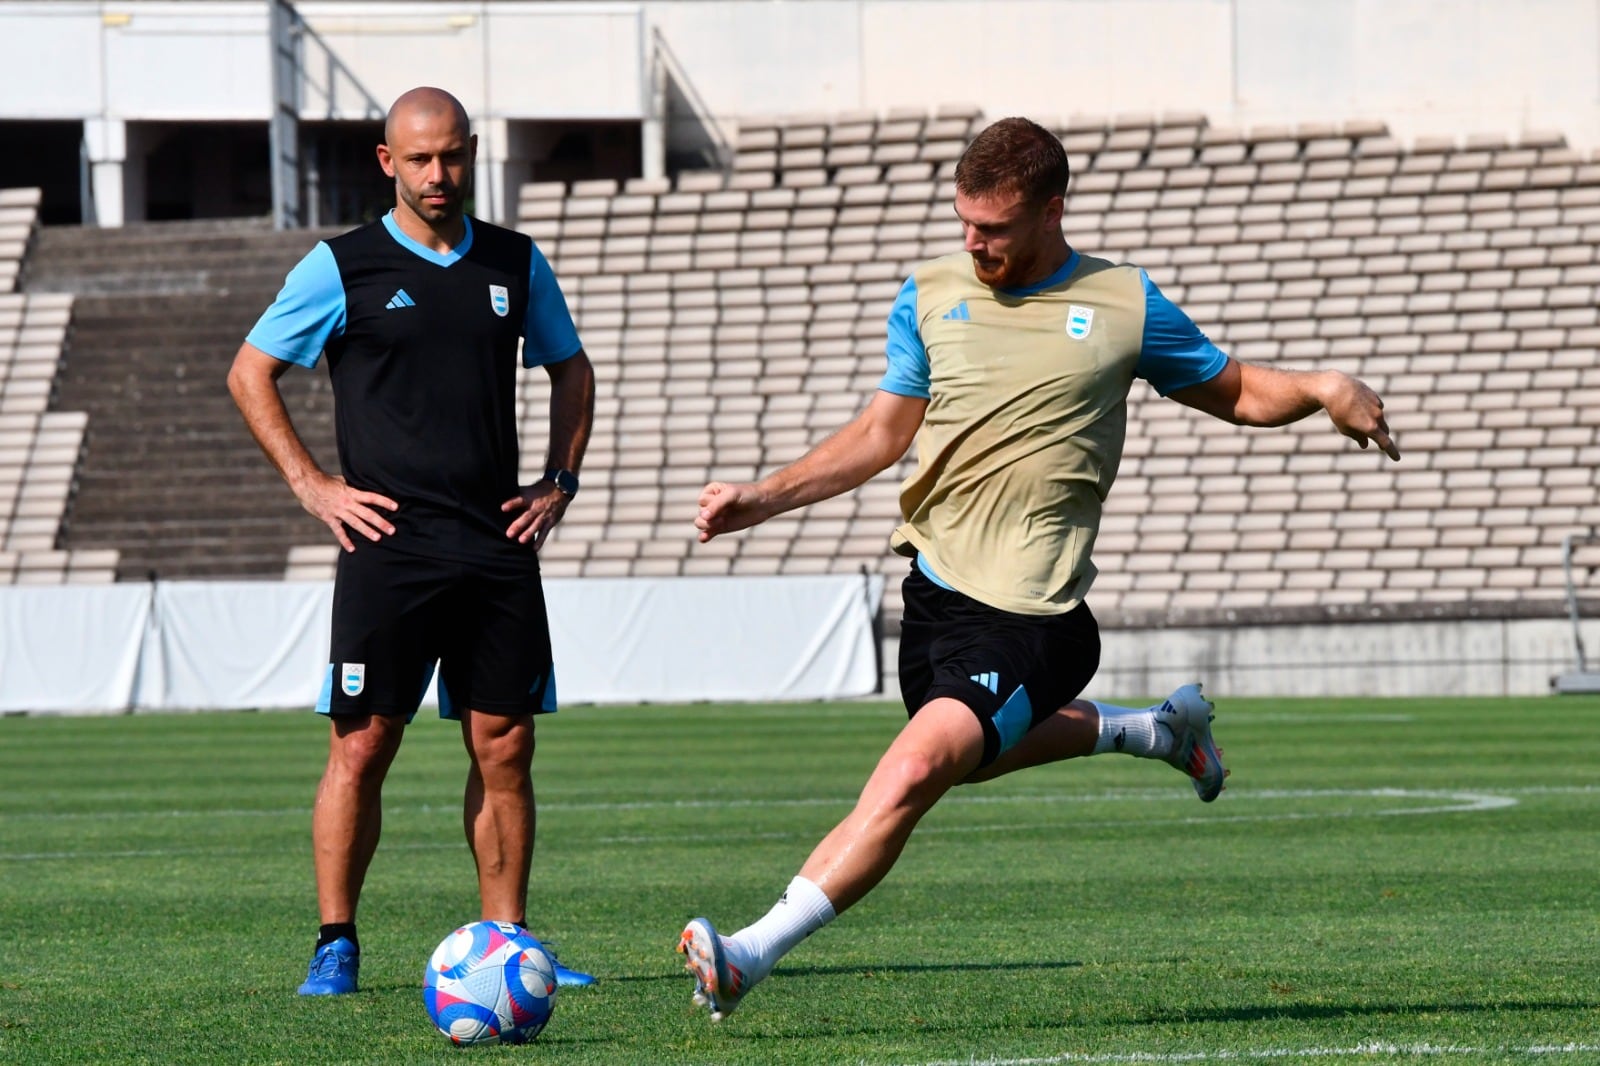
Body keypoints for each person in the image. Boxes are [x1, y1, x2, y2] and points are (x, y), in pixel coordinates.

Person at [677, 117, 1400, 1019]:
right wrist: (763, 497)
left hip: (1037, 616)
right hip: (935, 595)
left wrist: (1326, 387)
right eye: (963, 224)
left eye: (995, 228)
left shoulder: (1125, 303)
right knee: (961, 759)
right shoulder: (931, 293)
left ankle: (749, 953)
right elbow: (880, 434)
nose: (973, 244)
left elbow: (1238, 388)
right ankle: (1151, 733)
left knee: (912, 771)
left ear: (1052, 210)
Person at [227, 86, 598, 995]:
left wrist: (558, 482)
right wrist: (314, 487)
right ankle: (336, 940)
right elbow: (250, 373)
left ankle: (508, 945)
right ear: (387, 163)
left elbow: (572, 369)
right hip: (387, 545)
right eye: (420, 159)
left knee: (505, 744)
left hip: (496, 542)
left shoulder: (515, 262)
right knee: (362, 745)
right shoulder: (339, 266)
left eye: (454, 157)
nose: (440, 175)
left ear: (471, 155)